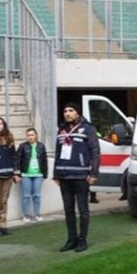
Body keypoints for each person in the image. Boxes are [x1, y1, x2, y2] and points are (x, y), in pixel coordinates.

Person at [54, 102, 100, 252]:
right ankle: (71, 239)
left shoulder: (88, 128)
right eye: (65, 111)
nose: (67, 113)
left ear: (77, 113)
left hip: (81, 176)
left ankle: (82, 240)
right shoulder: (60, 130)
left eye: (71, 110)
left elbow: (95, 151)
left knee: (83, 209)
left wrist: (94, 173)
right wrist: (56, 173)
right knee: (68, 210)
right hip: (64, 176)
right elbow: (57, 152)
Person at [17, 128, 48, 223]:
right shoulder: (22, 146)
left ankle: (37, 214)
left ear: (36, 135)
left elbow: (44, 160)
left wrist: (45, 174)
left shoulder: (41, 146)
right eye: (28, 135)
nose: (30, 137)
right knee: (26, 196)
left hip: (38, 174)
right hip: (26, 174)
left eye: (32, 135)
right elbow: (17, 160)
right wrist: (17, 173)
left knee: (37, 195)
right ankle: (26, 215)